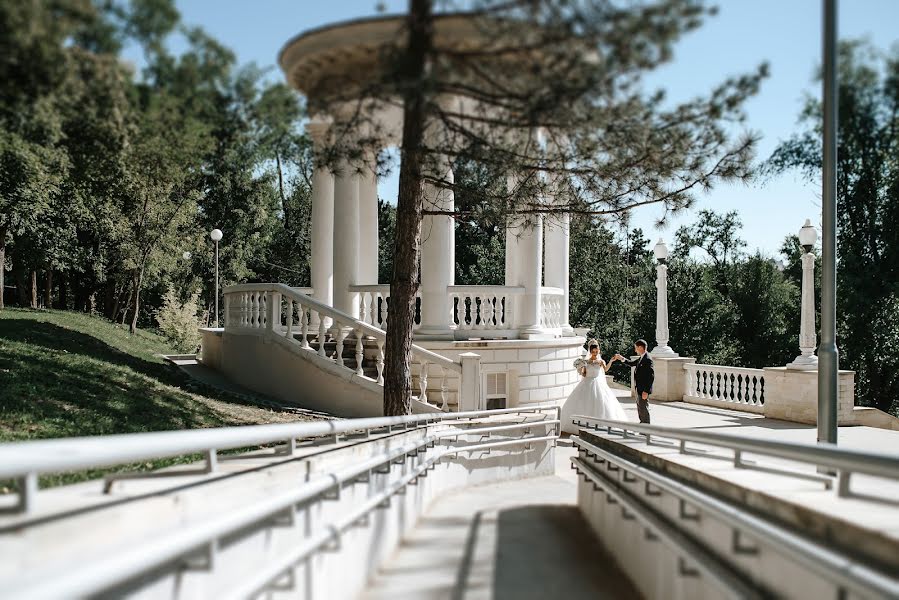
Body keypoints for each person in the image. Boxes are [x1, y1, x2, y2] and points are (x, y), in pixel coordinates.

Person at [561, 339, 629, 434]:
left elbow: (606, 369)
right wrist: (580, 369)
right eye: (593, 352)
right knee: (583, 403)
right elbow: (584, 374)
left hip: (598, 384)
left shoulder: (600, 361)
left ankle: (600, 427)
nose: (595, 353)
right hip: (586, 383)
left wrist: (611, 361)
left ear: (599, 351)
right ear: (590, 351)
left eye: (597, 352)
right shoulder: (585, 362)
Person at [614, 339, 654, 424]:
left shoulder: (647, 359)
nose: (635, 350)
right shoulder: (642, 358)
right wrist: (622, 358)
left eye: (636, 348)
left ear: (640, 347)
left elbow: (651, 377)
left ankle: (646, 428)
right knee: (640, 408)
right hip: (639, 388)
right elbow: (632, 363)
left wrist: (646, 391)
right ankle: (642, 426)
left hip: (643, 390)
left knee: (643, 408)